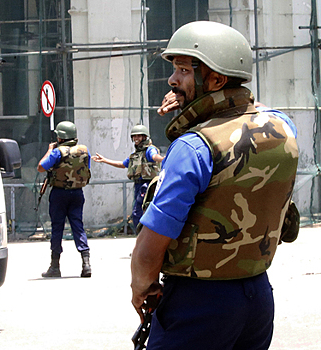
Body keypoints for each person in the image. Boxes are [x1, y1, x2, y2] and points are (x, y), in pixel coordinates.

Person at [130, 21, 298, 350]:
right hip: (257, 297)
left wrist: (141, 288)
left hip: (198, 303)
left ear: (216, 79)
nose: (172, 80)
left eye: (182, 70)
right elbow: (245, 112)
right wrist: (197, 105)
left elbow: (151, 246)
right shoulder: (283, 126)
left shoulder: (195, 146)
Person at [38, 121, 92, 278]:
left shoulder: (57, 152)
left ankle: (55, 266)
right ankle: (86, 264)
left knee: (57, 228)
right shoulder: (84, 150)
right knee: (78, 226)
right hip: (77, 193)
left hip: (59, 194)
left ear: (60, 137)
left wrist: (49, 150)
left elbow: (41, 167)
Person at [92, 125, 164, 232]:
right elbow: (122, 164)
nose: (136, 139)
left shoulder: (149, 150)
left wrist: (163, 158)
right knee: (137, 212)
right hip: (138, 184)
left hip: (148, 185)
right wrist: (104, 160)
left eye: (139, 136)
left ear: (145, 137)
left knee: (140, 211)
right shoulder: (135, 154)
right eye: (134, 137)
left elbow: (154, 156)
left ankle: (145, 234)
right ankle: (141, 234)